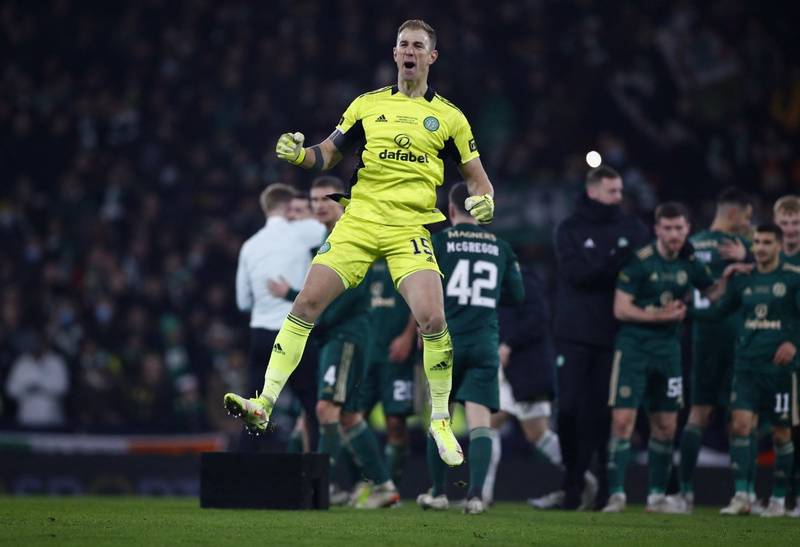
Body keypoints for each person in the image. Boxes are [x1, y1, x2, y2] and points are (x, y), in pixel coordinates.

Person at [224, 19, 495, 468]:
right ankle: (264, 403)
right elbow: (326, 154)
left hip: (409, 226)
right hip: (360, 220)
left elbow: (479, 183)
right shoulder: (367, 106)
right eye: (402, 44)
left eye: (417, 46)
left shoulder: (450, 117)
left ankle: (441, 419)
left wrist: (485, 205)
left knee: (431, 317)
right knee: (305, 305)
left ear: (431, 57)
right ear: (395, 55)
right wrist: (299, 154)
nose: (408, 51)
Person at [601, 202, 734, 513]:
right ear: (657, 229)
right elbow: (621, 308)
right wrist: (659, 316)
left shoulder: (689, 262)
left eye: (679, 228)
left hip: (669, 354)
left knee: (666, 426)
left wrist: (729, 275)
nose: (674, 234)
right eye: (668, 228)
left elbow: (713, 293)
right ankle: (617, 494)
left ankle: (657, 496)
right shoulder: (640, 262)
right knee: (622, 422)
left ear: (687, 229)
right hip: (633, 350)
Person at [417, 182, 524, 515]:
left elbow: (420, 290)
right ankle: (476, 496)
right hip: (483, 342)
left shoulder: (437, 243)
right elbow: (517, 296)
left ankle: (437, 492)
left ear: (450, 210)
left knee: (440, 418)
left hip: (444, 342)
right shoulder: (501, 247)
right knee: (480, 422)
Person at [550, 166, 650, 509]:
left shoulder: (633, 228)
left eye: (620, 191)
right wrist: (616, 264)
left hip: (614, 335)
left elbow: (643, 273)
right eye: (612, 192)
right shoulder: (570, 229)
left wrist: (605, 267)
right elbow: (576, 275)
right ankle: (572, 480)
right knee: (567, 411)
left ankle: (604, 488)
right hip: (573, 334)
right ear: (593, 192)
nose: (619, 198)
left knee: (603, 415)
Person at [694, 224, 799, 517]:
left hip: (780, 369)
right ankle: (743, 495)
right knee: (740, 425)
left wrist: (794, 343)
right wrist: (686, 311)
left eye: (766, 242)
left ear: (779, 245)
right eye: (757, 242)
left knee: (781, 434)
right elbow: (719, 311)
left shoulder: (792, 278)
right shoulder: (743, 279)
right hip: (747, 366)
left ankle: (779, 498)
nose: (760, 247)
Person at [676, 188, 752, 512]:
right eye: (747, 218)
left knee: (698, 414)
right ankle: (744, 493)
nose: (749, 225)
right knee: (740, 418)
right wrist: (747, 257)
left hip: (700, 339)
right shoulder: (740, 247)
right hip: (737, 339)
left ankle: (683, 493)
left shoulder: (692, 244)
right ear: (735, 214)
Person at [234, 183, 326, 447]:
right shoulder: (306, 233)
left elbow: (242, 302)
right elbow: (327, 231)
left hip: (261, 333)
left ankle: (244, 475)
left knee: (253, 409)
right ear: (289, 207)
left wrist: (265, 306)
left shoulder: (249, 246)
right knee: (312, 408)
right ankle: (318, 477)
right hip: (296, 333)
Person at [481, 267, 567, 507]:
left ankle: (581, 479)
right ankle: (481, 493)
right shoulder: (495, 285)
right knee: (489, 423)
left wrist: (509, 344)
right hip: (510, 372)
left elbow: (539, 318)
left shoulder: (526, 281)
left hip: (529, 369)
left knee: (537, 434)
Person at [357, 258, 418, 486]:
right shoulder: (362, 251)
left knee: (395, 422)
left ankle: (391, 487)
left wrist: (408, 336)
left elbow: (419, 297)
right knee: (354, 419)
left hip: (396, 355)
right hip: (364, 352)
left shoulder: (403, 251)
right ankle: (361, 484)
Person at [773, 196, 800, 518]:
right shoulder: (766, 256)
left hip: (794, 350)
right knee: (781, 427)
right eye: (785, 222)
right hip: (771, 355)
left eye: (796, 223)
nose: (791, 229)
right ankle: (782, 494)